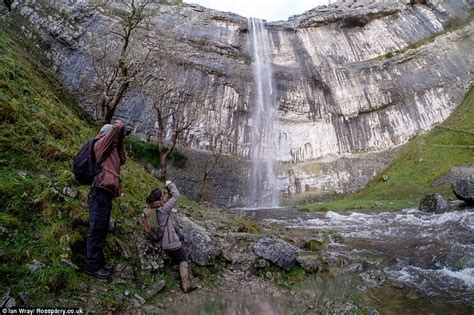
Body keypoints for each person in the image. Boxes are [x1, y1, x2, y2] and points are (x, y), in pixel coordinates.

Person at [85, 120, 127, 279]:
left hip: (107, 193)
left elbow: (123, 160)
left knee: (101, 229)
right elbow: (116, 127)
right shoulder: (100, 144)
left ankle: (99, 264)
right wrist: (120, 127)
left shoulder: (113, 151)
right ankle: (92, 266)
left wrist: (120, 140)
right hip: (99, 192)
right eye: (114, 137)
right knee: (96, 229)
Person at [144, 181, 197, 293]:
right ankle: (186, 285)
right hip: (167, 243)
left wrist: (166, 192)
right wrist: (170, 185)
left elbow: (166, 200)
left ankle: (173, 262)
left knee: (180, 237)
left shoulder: (149, 208)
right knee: (183, 259)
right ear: (160, 198)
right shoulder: (164, 209)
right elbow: (176, 195)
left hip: (156, 241)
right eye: (162, 197)